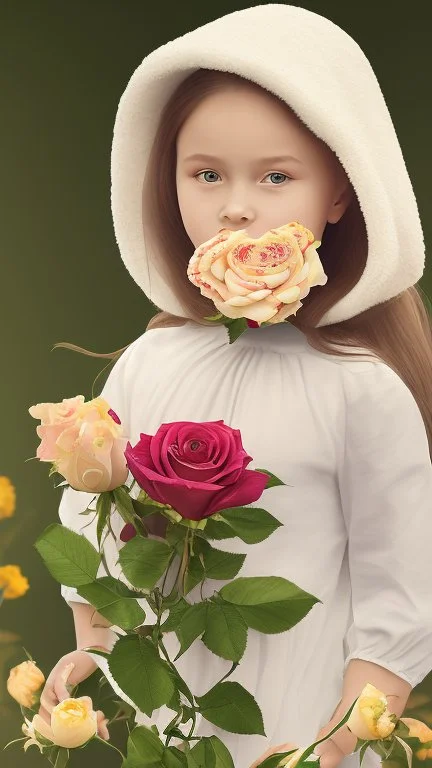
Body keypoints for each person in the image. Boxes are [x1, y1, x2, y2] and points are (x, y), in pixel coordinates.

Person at [37, 5, 432, 768]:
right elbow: (90, 519)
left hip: (303, 730)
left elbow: (400, 600)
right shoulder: (151, 363)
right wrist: (95, 647)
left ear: (341, 194)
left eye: (277, 176)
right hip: (171, 729)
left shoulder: (362, 390)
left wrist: (334, 744)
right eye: (206, 173)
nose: (235, 204)